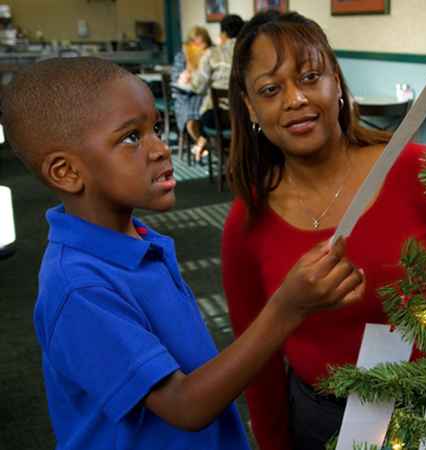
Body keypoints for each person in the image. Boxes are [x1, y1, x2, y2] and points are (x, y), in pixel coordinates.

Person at [0, 57, 365, 450]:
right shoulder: (78, 288)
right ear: (66, 172)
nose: (160, 149)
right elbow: (184, 406)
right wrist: (286, 309)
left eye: (155, 128)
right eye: (130, 138)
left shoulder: (140, 241)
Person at [222, 10, 426, 450]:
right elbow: (260, 363)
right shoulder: (246, 222)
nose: (296, 99)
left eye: (309, 77)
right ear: (250, 107)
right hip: (322, 421)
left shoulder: (416, 169)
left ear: (336, 84)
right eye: (271, 89)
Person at [184, 14, 244, 161]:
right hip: (246, 116)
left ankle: (220, 154)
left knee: (202, 115)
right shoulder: (251, 53)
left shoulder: (212, 54)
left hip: (220, 117)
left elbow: (198, 86)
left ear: (223, 34)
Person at [171, 26, 212, 144]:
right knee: (191, 116)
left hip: (204, 94)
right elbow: (175, 78)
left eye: (202, 43)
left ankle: (204, 143)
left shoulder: (211, 55)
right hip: (184, 96)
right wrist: (186, 74)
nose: (199, 47)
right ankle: (201, 142)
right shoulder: (182, 56)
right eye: (195, 43)